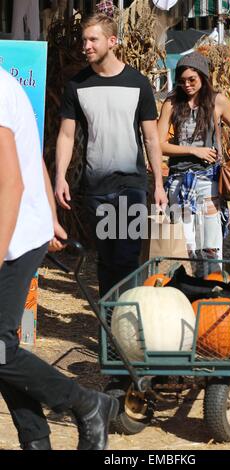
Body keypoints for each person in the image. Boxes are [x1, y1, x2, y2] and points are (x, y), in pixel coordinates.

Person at [0, 65, 119, 450]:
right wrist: (51, 214)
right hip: (20, 227)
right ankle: (37, 440)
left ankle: (86, 404)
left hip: (13, 235)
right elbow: (28, 154)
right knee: (2, 350)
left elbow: (11, 184)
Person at [55, 13, 167, 296]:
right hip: (96, 188)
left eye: (93, 39)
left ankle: (125, 324)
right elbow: (66, 135)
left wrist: (159, 185)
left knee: (127, 258)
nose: (86, 46)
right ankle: (108, 326)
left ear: (112, 41)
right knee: (105, 260)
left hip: (131, 185)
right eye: (84, 40)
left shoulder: (137, 83)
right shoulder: (77, 85)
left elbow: (151, 137)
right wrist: (59, 177)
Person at [157, 51, 230, 272]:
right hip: (179, 180)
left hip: (209, 178)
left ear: (203, 77)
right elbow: (159, 144)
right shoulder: (171, 103)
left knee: (211, 239)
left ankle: (213, 283)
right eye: (182, 80)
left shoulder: (218, 101)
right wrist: (193, 151)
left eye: (192, 80)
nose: (187, 85)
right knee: (186, 242)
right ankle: (191, 285)